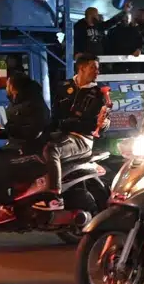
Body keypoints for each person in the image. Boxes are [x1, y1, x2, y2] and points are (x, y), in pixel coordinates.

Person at [34, 55, 112, 211]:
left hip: (81, 139)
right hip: (60, 135)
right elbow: (55, 116)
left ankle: (54, 196)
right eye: (93, 67)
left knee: (52, 150)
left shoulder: (100, 94)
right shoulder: (63, 87)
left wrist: (103, 124)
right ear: (81, 68)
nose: (97, 71)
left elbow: (96, 125)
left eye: (97, 68)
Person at [0, 71, 51, 224]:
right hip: (16, 147)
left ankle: (6, 206)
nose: (6, 88)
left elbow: (30, 132)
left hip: (30, 151)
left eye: (8, 84)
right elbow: (13, 131)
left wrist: (5, 131)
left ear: (15, 87)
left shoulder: (34, 105)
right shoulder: (17, 103)